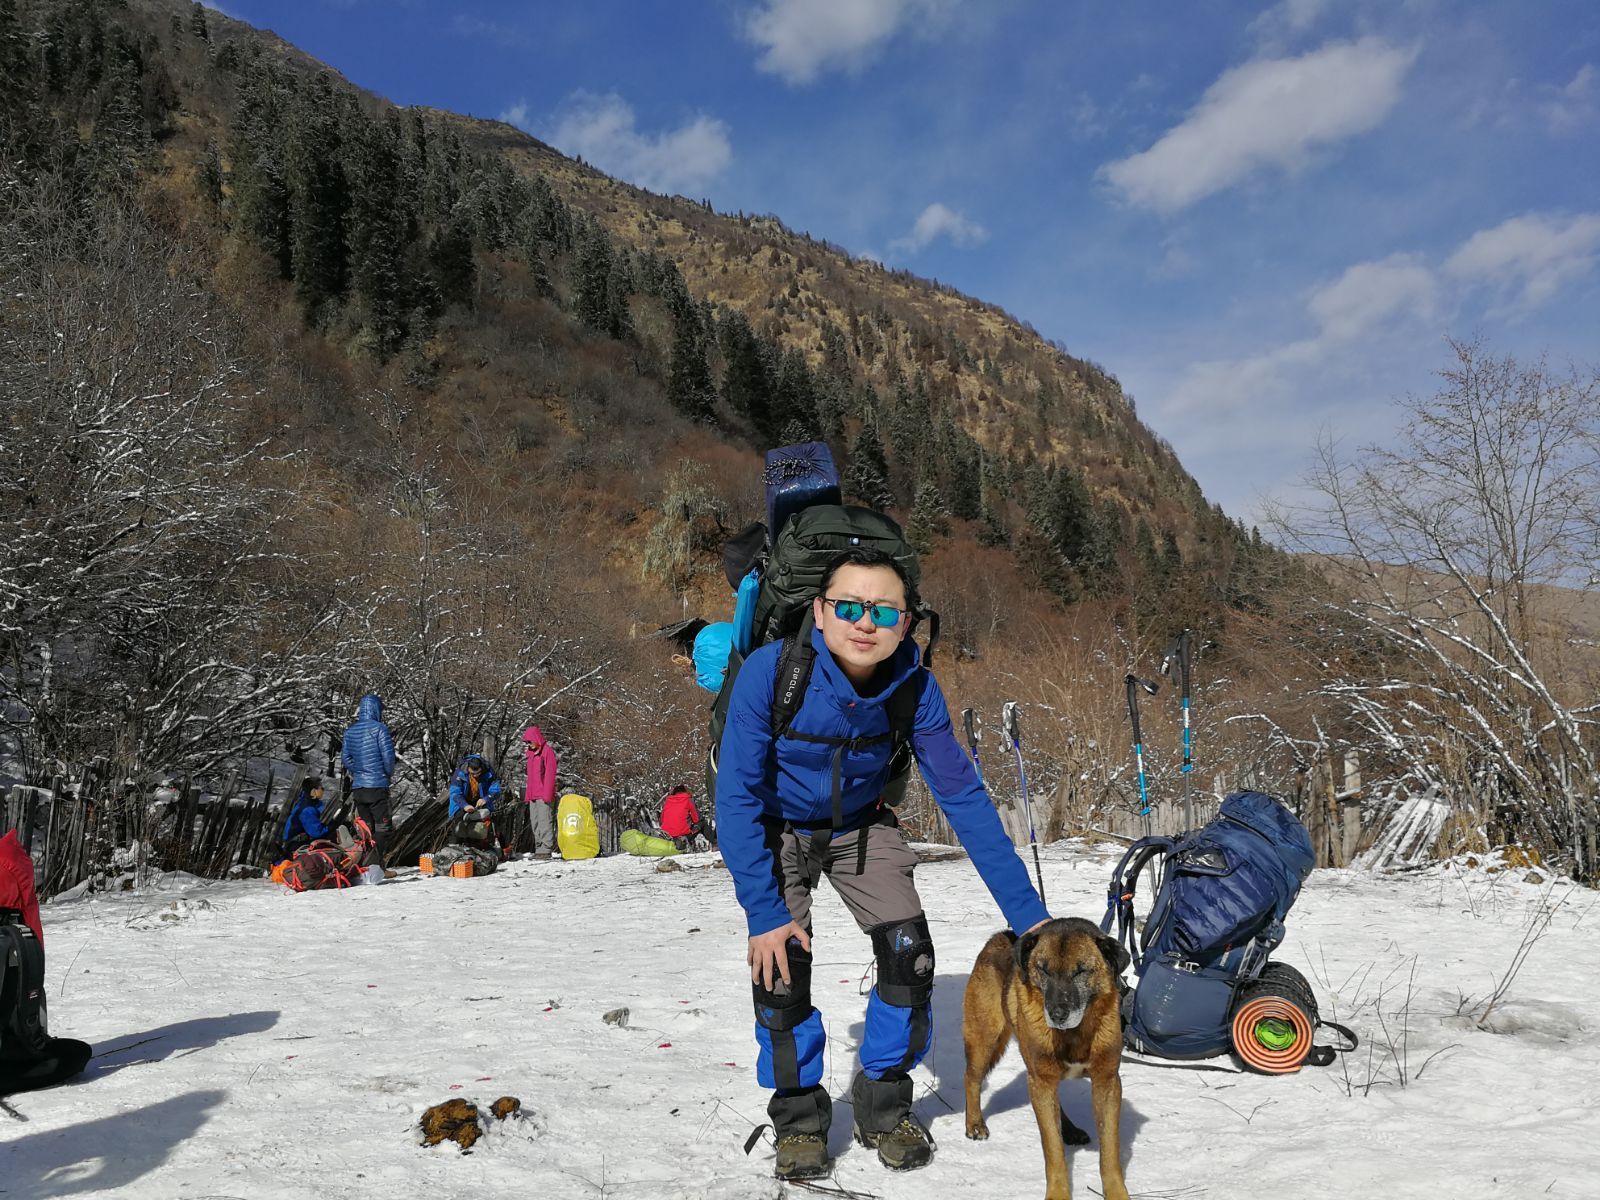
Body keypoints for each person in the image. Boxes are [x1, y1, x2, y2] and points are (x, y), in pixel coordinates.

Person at [717, 547, 1050, 1180]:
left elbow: (963, 797)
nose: (863, 622)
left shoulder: (914, 689)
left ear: (906, 621)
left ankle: (883, 1103)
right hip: (776, 828)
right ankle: (799, 1118)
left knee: (909, 955)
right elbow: (733, 797)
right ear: (819, 612)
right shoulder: (771, 672)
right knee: (780, 967)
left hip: (862, 826)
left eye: (883, 609)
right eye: (847, 605)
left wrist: (1028, 918)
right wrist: (764, 912)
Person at [341, 693, 396, 868]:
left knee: (366, 829)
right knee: (382, 828)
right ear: (376, 709)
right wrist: (386, 774)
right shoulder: (380, 729)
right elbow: (388, 758)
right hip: (377, 786)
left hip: (359, 788)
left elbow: (346, 758)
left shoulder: (350, 731)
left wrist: (358, 771)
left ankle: (363, 865)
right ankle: (377, 866)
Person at [521, 724, 559, 860]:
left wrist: (547, 794)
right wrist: (528, 795)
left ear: (536, 739)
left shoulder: (547, 752)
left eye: (529, 742)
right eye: (527, 743)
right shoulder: (531, 755)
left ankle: (546, 848)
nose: (528, 745)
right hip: (532, 794)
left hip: (543, 794)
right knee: (535, 821)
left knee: (545, 821)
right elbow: (530, 777)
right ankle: (539, 848)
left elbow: (550, 774)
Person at [279, 776, 331, 859]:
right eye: (321, 788)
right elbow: (316, 832)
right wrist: (329, 828)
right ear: (313, 791)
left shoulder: (304, 802)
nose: (323, 790)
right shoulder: (307, 810)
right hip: (295, 846)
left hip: (294, 842)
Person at [447, 753, 502, 822]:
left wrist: (486, 798)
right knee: (459, 818)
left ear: (481, 768)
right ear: (468, 768)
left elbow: (496, 790)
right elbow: (455, 793)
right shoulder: (459, 773)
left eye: (478, 773)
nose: (475, 775)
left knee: (485, 817)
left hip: (481, 803)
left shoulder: (488, 772)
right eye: (473, 774)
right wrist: (465, 805)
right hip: (461, 804)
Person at [658, 784, 704, 851]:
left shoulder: (667, 800)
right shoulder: (688, 799)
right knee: (703, 823)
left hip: (666, 834)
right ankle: (715, 843)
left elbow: (661, 820)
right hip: (682, 833)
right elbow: (696, 819)